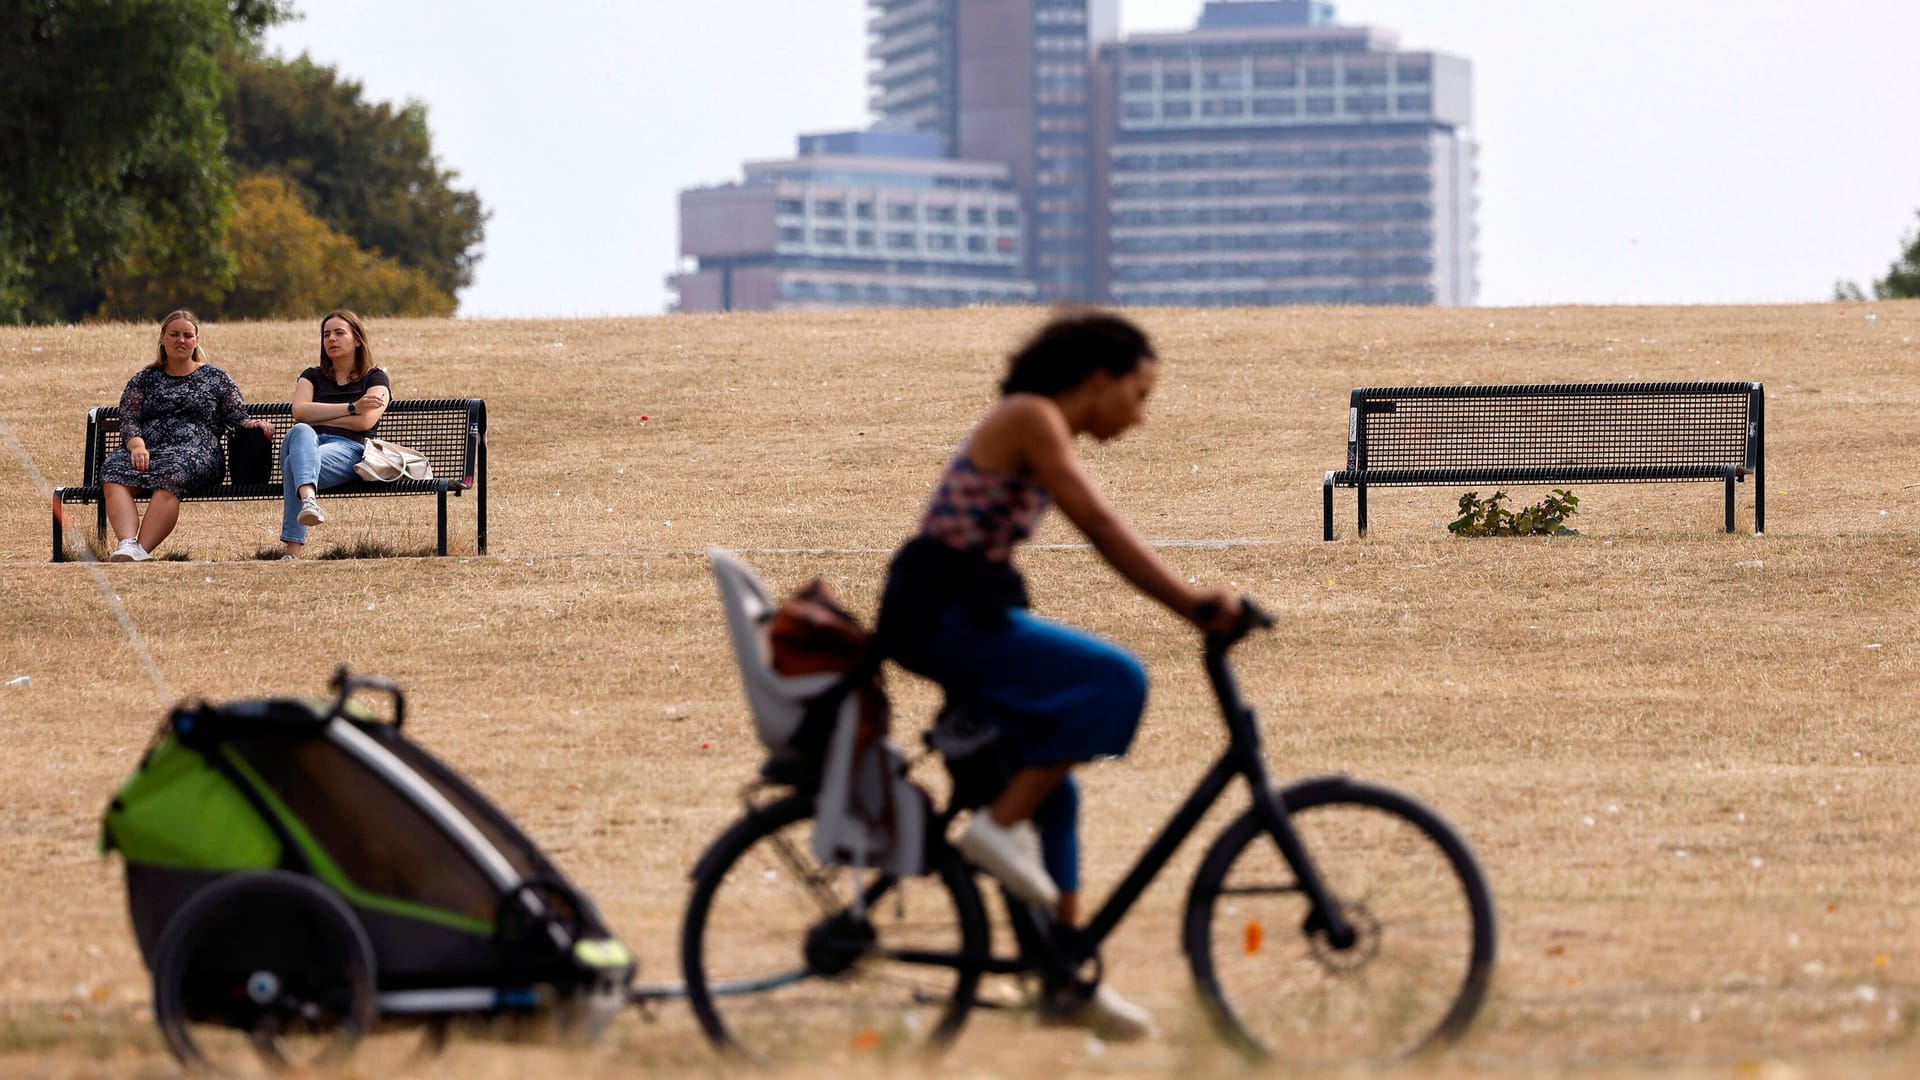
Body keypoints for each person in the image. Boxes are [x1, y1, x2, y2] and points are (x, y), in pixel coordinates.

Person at [875, 310, 1241, 1041]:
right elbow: (1100, 525)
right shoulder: (1032, 416)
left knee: (1057, 793)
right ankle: (996, 826)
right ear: (1098, 379)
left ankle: (1061, 978)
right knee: (1117, 681)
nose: (1140, 419)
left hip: (961, 611)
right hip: (942, 613)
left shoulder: (1039, 421)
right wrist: (1190, 604)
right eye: (1139, 396)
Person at [99, 310, 275, 562]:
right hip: (148, 451)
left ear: (196, 340)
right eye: (174, 334)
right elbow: (129, 420)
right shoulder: (144, 379)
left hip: (197, 452)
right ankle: (127, 544)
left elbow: (237, 417)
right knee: (113, 469)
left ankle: (142, 549)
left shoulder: (215, 378)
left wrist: (254, 424)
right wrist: (137, 446)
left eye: (187, 335)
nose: (180, 340)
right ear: (162, 338)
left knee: (174, 472)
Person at [278, 310, 390, 559]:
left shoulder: (375, 378)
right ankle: (309, 501)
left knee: (293, 463)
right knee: (301, 431)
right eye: (326, 334)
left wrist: (321, 415)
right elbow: (299, 412)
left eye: (339, 333)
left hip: (348, 449)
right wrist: (351, 407)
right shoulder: (311, 376)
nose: (331, 339)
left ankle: (292, 552)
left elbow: (365, 422)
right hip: (305, 443)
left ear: (357, 340)